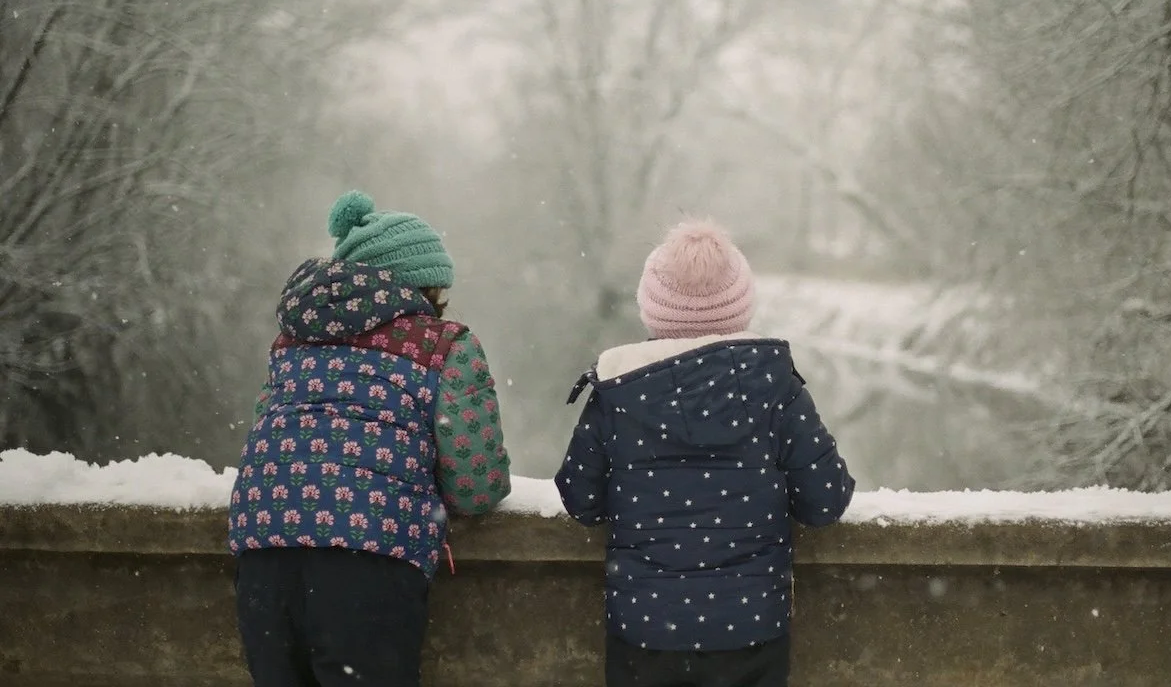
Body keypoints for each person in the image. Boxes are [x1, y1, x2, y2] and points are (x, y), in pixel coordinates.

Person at [228, 190, 511, 687]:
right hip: (370, 557)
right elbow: (476, 486)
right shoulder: (443, 344)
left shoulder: (292, 340)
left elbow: (267, 429)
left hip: (263, 547)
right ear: (423, 287)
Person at [555, 219, 855, 687]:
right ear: (741, 306)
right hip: (750, 632)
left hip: (646, 631)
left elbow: (580, 500)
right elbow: (826, 502)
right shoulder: (777, 389)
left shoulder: (617, 395)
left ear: (652, 308)